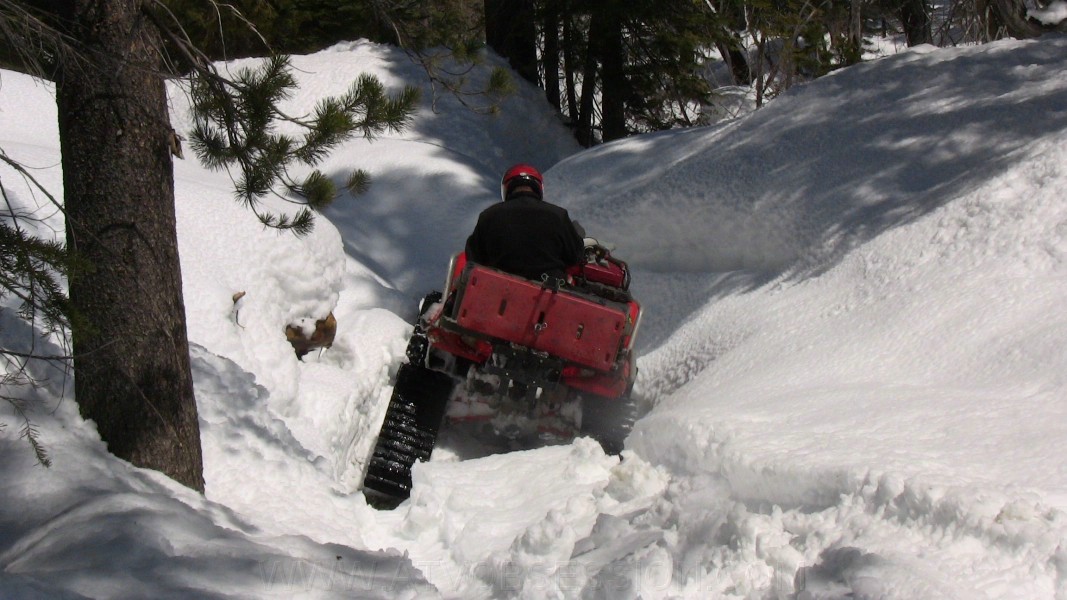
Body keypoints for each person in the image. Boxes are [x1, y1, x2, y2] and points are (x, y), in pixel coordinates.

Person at [465, 163, 586, 283]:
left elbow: (474, 257)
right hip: (550, 292)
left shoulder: (488, 215)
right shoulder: (558, 215)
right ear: (539, 187)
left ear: (506, 188)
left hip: (496, 289)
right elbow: (575, 256)